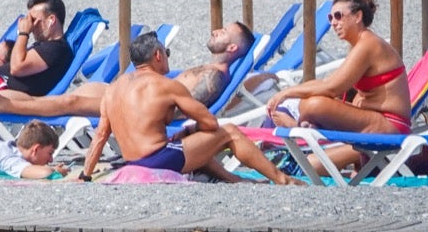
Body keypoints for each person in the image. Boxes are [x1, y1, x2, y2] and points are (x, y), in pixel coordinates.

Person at [78, 32, 300, 185]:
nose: (167, 58)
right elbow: (212, 124)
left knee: (191, 142)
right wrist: (196, 130)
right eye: (167, 53)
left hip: (133, 161)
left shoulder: (113, 89)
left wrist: (85, 175)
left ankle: (236, 181)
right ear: (157, 55)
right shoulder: (167, 85)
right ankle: (283, 180)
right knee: (229, 131)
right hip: (159, 159)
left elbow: (100, 136)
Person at [0, 22, 256, 118]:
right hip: (137, 96)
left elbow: (177, 110)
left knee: (69, 102)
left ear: (232, 49)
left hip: (139, 108)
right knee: (83, 91)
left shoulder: (215, 77)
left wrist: (132, 101)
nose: (216, 31)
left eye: (224, 34)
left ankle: (4, 104)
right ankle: (2, 99)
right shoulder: (209, 68)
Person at [266, 0, 411, 172]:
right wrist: (292, 93)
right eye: (330, 17)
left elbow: (332, 88)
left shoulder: (368, 44)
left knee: (314, 105)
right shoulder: (362, 43)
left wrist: (286, 93)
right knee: (310, 103)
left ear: (358, 16)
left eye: (338, 16)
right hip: (376, 120)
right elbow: (328, 82)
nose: (333, 22)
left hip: (390, 125)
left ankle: (303, 130)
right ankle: (308, 132)